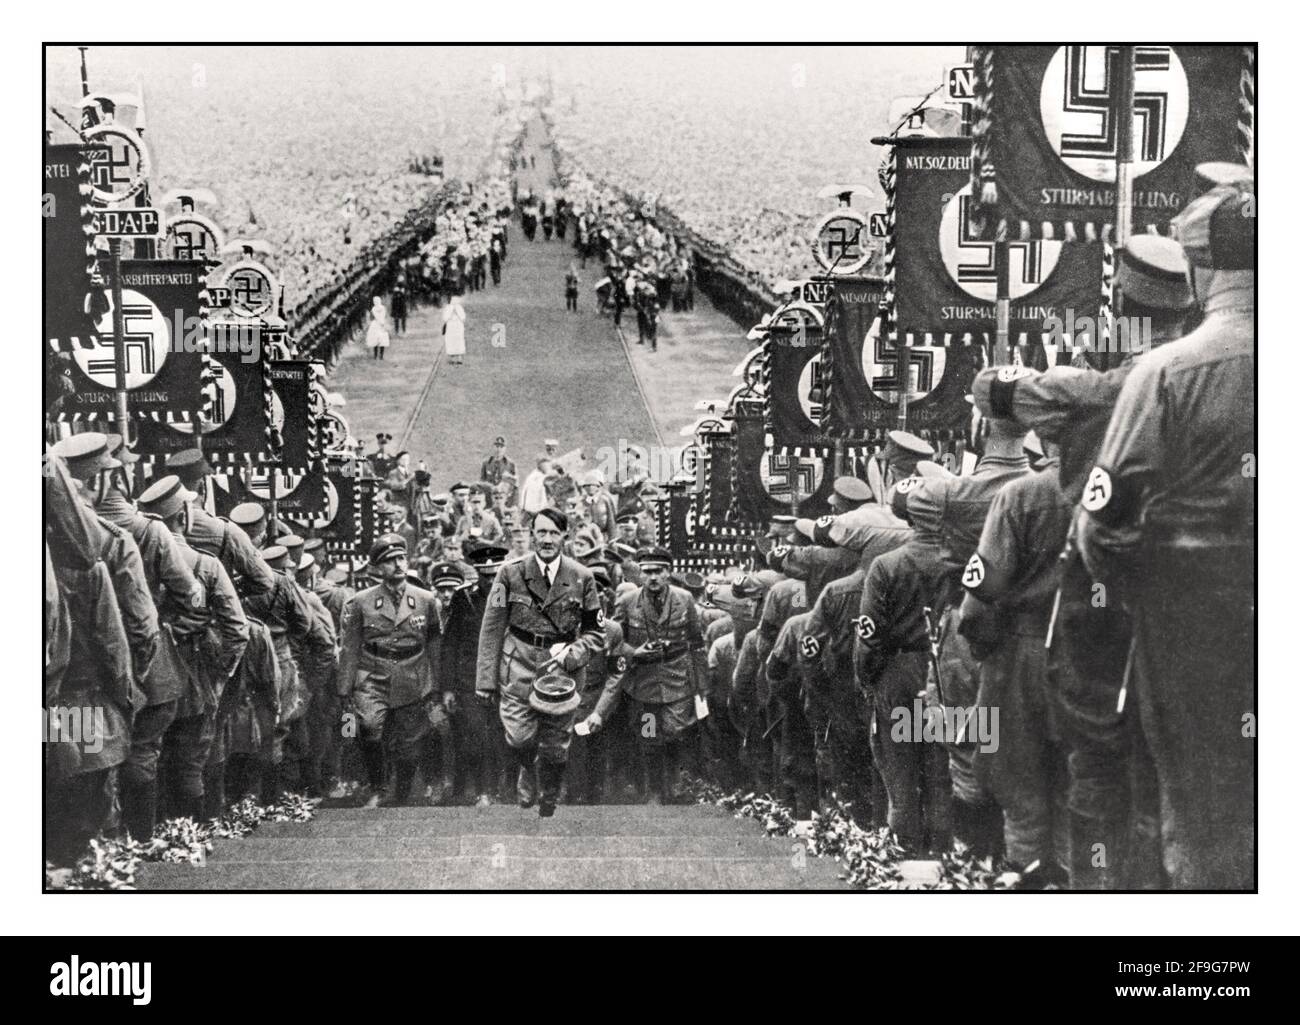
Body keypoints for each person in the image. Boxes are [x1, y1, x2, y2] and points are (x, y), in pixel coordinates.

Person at [1078, 174, 1255, 890]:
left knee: (1201, 810)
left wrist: (1142, 583)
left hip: (1194, 620)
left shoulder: (1167, 373)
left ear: (1198, 267)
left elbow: (1100, 526)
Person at [474, 508, 605, 817]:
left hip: (561, 670)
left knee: (557, 744)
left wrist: (573, 654)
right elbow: (492, 627)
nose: (547, 540)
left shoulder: (582, 577)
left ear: (565, 536)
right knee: (520, 735)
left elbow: (595, 632)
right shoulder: (510, 573)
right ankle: (526, 769)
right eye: (541, 533)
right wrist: (485, 680)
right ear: (532, 535)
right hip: (518, 662)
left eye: (553, 533)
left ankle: (549, 791)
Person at [337, 534, 444, 807]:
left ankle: (402, 793)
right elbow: (350, 646)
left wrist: (436, 684)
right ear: (377, 568)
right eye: (389, 561)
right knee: (369, 726)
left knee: (410, 742)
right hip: (373, 674)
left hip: (412, 674)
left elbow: (433, 642)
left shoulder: (426, 599)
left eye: (400, 558)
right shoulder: (361, 602)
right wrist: (344, 688)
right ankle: (378, 787)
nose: (397, 565)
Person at [442, 293, 467, 366]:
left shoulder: (448, 308)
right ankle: (459, 357)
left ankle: (452, 358)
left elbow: (445, 318)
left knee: (451, 341)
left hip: (451, 326)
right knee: (458, 340)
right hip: (458, 326)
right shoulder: (459, 308)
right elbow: (463, 318)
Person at [366, 295, 391, 360]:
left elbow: (373, 317)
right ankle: (378, 355)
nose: (376, 302)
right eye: (375, 301)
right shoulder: (378, 308)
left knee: (379, 340)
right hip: (379, 324)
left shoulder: (378, 308)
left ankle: (378, 356)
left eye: (376, 301)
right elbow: (383, 316)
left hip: (378, 324)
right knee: (378, 340)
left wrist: (381, 322)